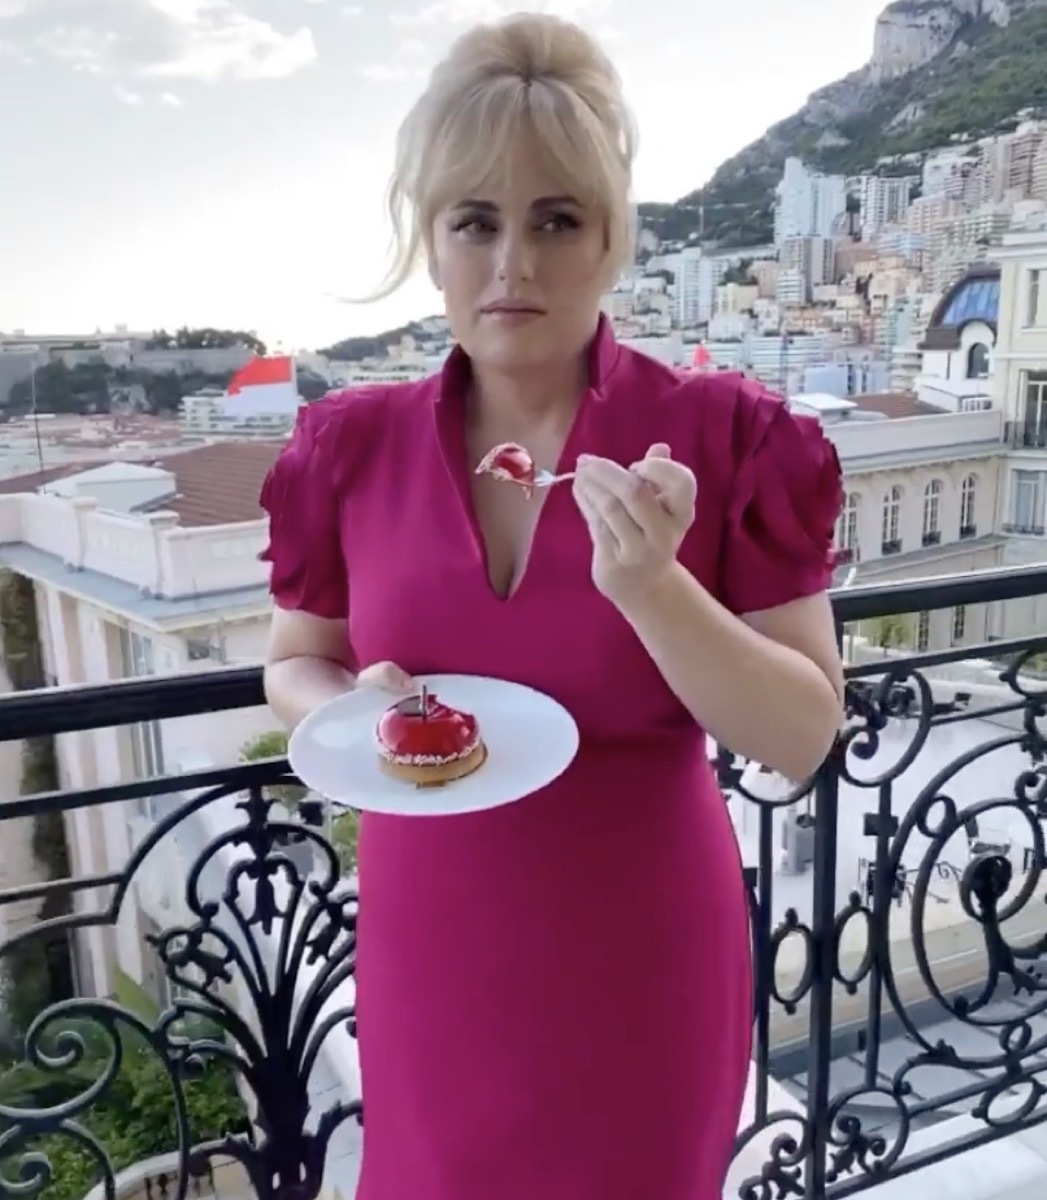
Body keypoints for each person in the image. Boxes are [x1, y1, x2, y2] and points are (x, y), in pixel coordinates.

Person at [261, 12, 845, 1200]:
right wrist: (350, 703)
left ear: (613, 241)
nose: (512, 263)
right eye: (475, 220)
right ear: (432, 240)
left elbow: (800, 735)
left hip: (643, 960)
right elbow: (293, 662)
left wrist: (653, 589)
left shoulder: (728, 435)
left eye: (556, 220)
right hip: (434, 950)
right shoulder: (348, 447)